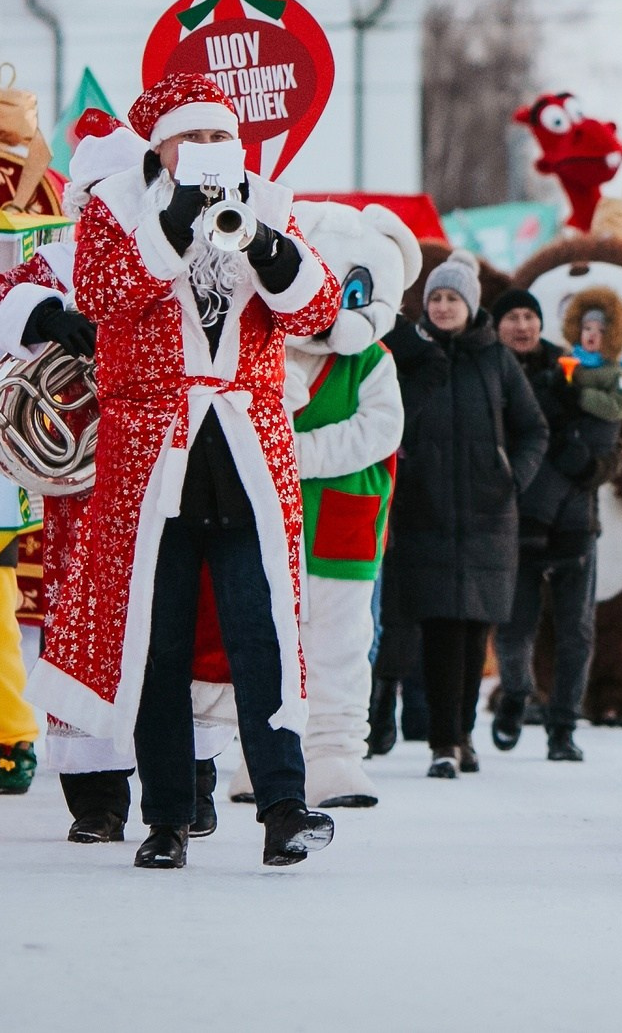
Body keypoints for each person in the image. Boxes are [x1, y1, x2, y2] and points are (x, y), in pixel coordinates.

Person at [31, 73, 342, 869]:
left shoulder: (268, 201)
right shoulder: (114, 207)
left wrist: (270, 247)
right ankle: (167, 816)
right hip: (152, 451)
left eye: (218, 138)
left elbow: (317, 311)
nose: (207, 153)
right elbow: (100, 297)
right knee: (158, 640)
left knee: (262, 632)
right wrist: (169, 225)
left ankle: (282, 804)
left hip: (245, 446)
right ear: (161, 147)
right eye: (190, 139)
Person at [268, 201, 415, 804]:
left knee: (343, 644)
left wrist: (296, 453)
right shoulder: (265, 355)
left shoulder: (374, 362)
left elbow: (380, 431)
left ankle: (333, 755)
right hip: (273, 522)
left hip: (344, 521)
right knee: (273, 638)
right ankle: (269, 751)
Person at [380, 254, 549, 779]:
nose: (444, 307)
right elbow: (391, 421)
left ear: (470, 304)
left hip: (486, 515)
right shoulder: (411, 358)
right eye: (436, 299)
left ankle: (464, 734)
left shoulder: (495, 359)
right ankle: (443, 743)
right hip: (424, 512)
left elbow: (533, 430)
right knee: (436, 631)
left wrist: (510, 476)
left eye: (453, 298)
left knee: (475, 631)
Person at [490, 285, 622, 763]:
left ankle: (563, 726)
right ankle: (515, 694)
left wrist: (596, 467)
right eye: (511, 317)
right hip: (518, 515)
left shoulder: (567, 367)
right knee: (514, 623)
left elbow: (610, 442)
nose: (522, 326)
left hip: (576, 515)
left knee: (577, 628)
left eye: (529, 317)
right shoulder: (491, 370)